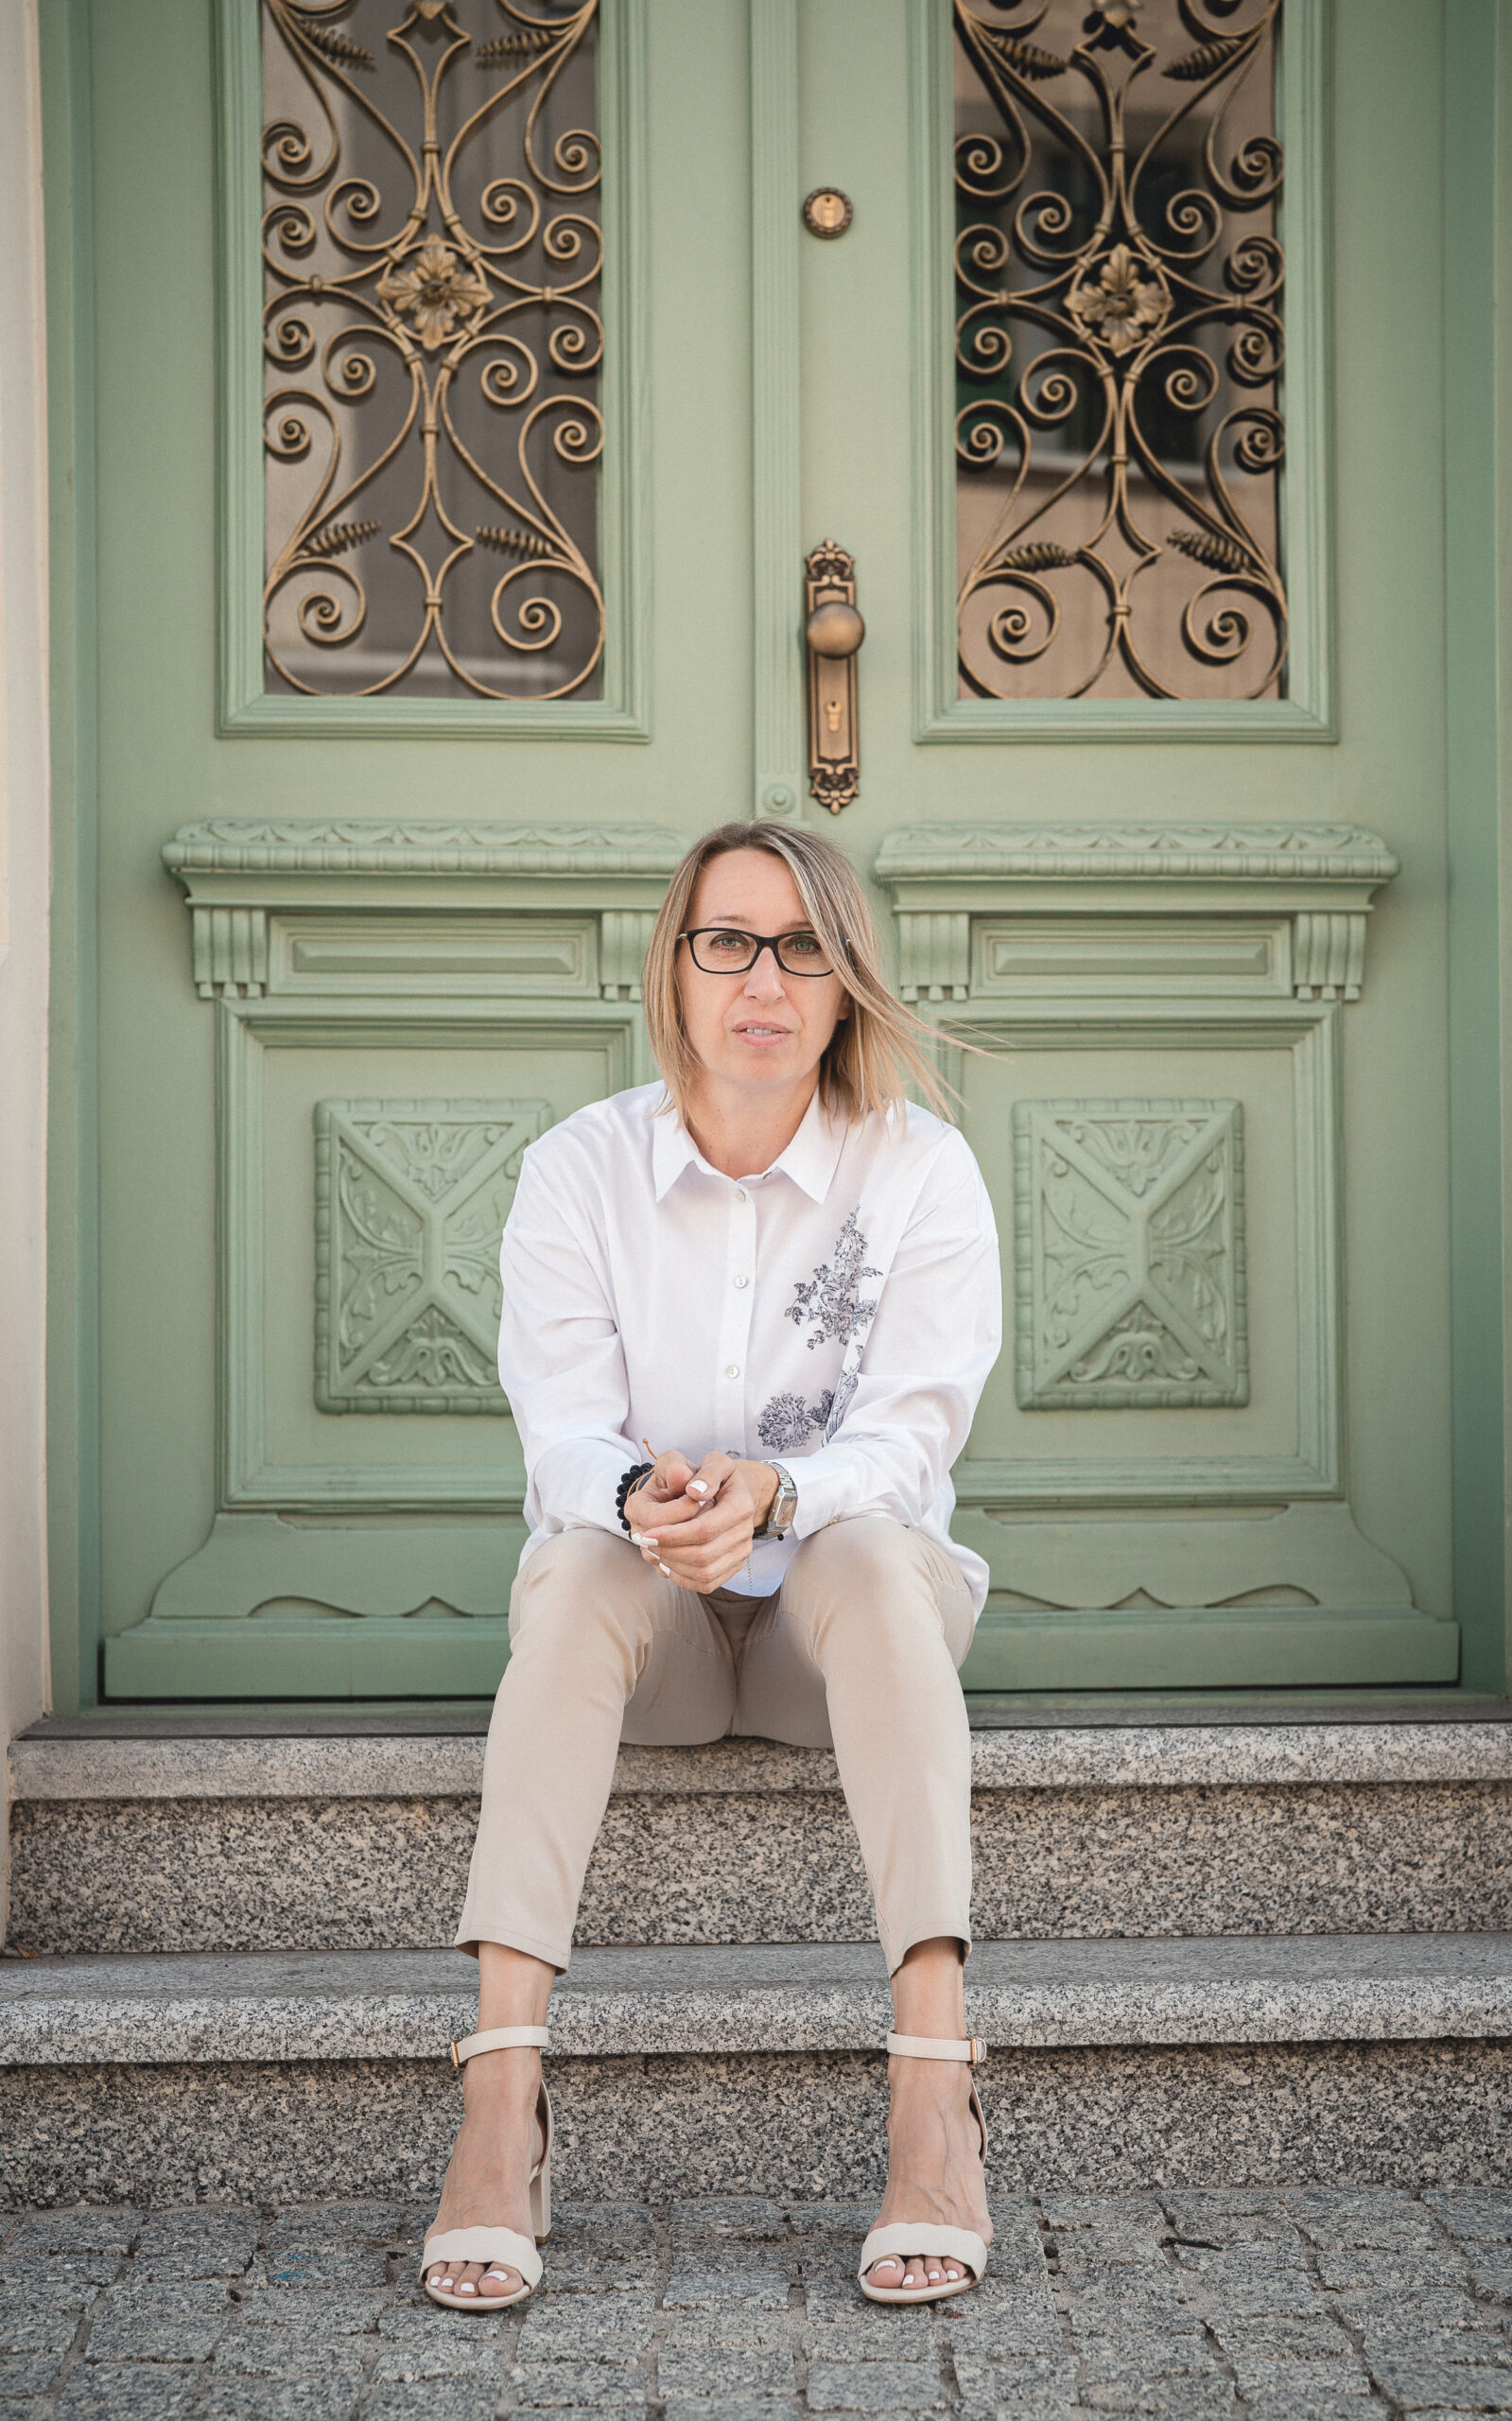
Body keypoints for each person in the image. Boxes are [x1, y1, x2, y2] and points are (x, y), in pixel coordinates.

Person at [420, 820, 1002, 2311]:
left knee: (865, 1548)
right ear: (672, 966)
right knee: (575, 1569)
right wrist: (648, 1498)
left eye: (804, 947)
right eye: (729, 941)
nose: (765, 980)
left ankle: (935, 2095)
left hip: (837, 1635)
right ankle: (500, 2109)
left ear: (847, 978)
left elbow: (915, 1435)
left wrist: (779, 1492)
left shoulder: (919, 1171)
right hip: (657, 1641)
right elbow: (562, 1434)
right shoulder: (580, 1171)